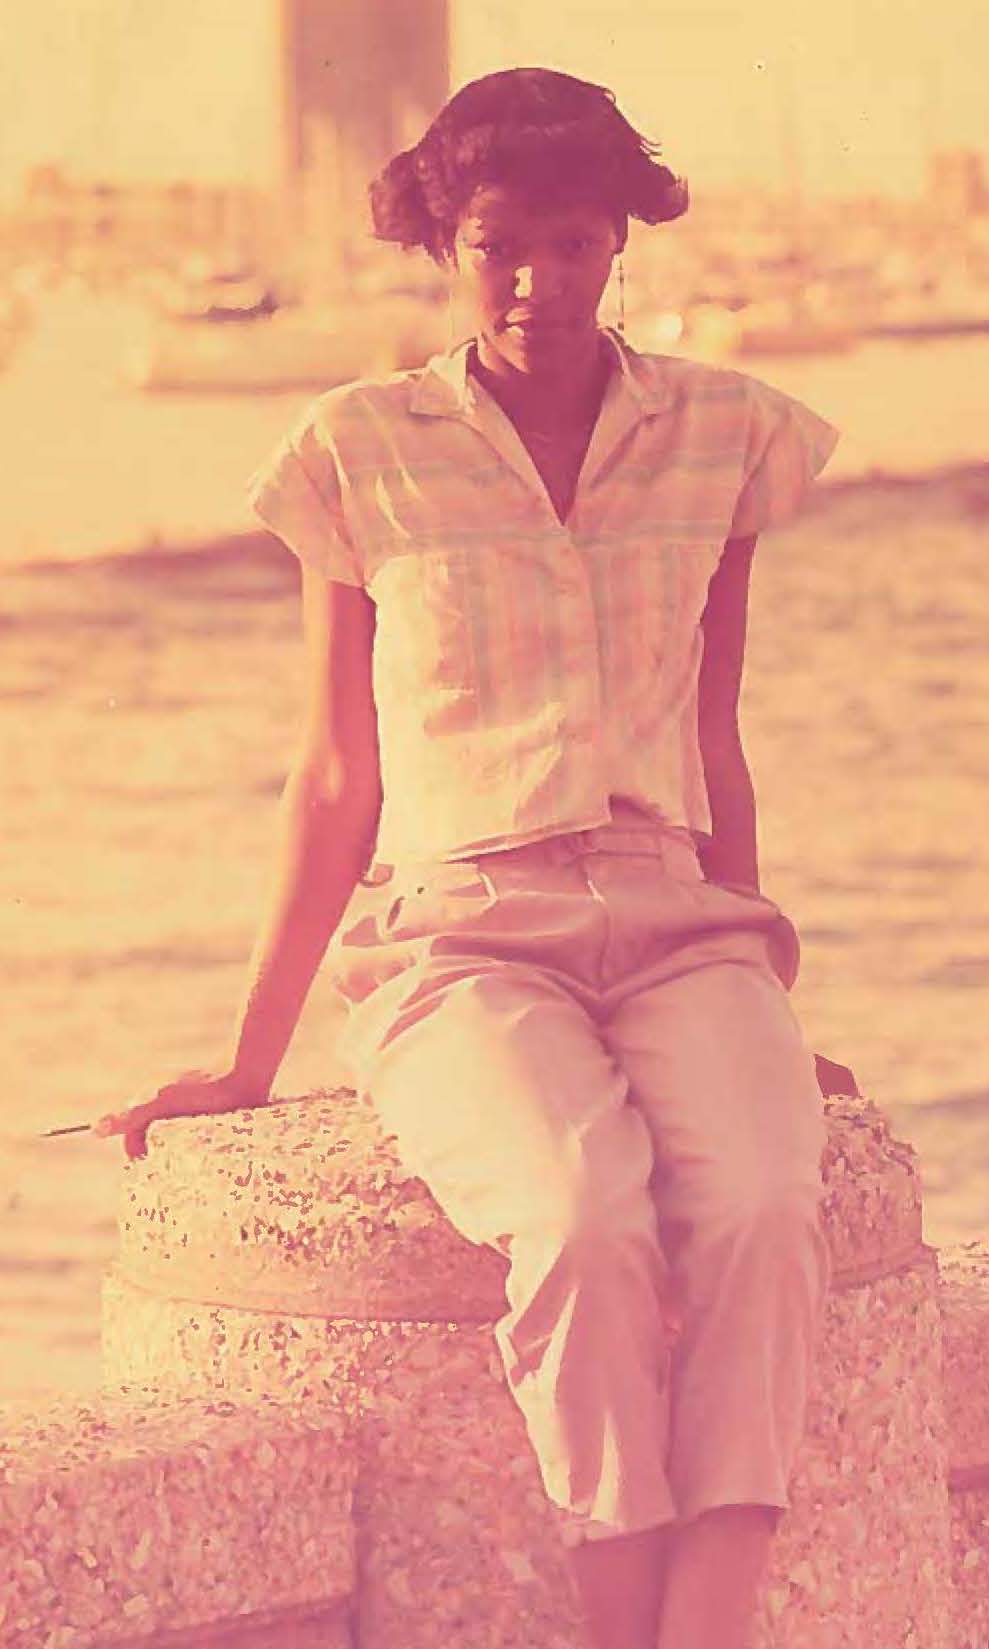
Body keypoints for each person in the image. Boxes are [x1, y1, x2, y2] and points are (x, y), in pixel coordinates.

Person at [95, 67, 841, 1649]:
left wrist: (768, 1012)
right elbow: (334, 774)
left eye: (575, 244)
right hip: (460, 933)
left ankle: (704, 1626)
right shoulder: (356, 448)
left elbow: (716, 736)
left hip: (679, 914)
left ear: (620, 240)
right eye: (501, 245)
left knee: (771, 1198)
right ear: (447, 243)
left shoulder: (725, 434)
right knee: (579, 1216)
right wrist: (246, 1059)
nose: (538, 283)